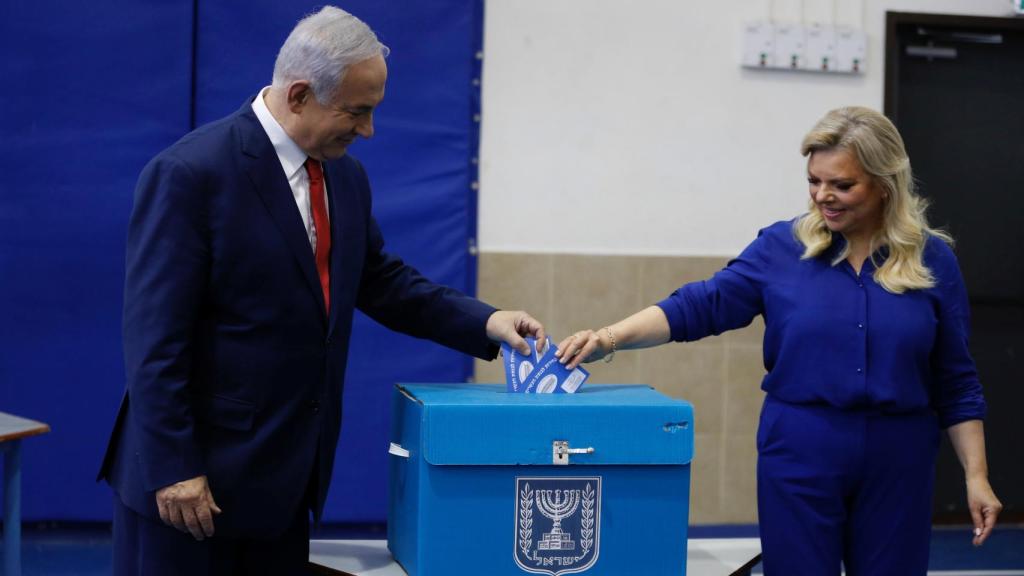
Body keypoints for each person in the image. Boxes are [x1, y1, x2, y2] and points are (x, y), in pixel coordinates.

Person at [97, 6, 545, 575]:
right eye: (357, 112)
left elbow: (381, 280)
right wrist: (174, 467)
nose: (368, 130)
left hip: (284, 483)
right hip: (189, 491)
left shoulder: (344, 175)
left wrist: (485, 321)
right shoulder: (191, 174)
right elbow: (154, 339)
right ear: (300, 95)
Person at [556, 107, 1001, 575]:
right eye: (814, 181)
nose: (823, 196)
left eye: (842, 185)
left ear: (884, 184)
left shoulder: (932, 260)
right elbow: (701, 304)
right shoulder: (780, 249)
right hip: (800, 448)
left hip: (900, 459)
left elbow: (956, 380)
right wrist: (609, 338)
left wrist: (977, 476)